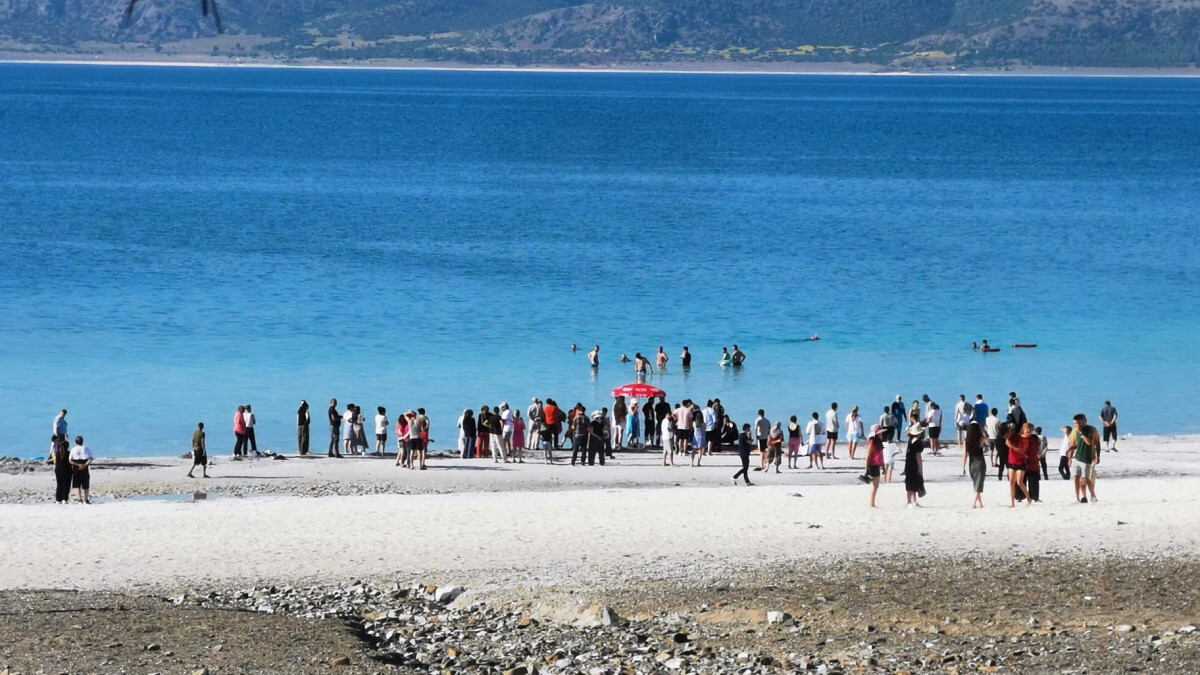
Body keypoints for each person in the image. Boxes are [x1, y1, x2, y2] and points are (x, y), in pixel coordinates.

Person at [1068, 413, 1101, 503]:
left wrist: (1098, 456)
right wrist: (1070, 458)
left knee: (1086, 479)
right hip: (1077, 457)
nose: (1078, 425)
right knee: (1076, 478)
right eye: (1076, 423)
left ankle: (1093, 495)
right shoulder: (1074, 431)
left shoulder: (1092, 430)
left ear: (1085, 421)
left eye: (1080, 423)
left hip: (1088, 459)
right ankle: (1080, 498)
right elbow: (1074, 444)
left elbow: (1091, 443)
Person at [1006, 424, 1034, 507]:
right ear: (1023, 429)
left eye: (1031, 429)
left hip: (1021, 463)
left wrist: (1012, 447)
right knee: (1011, 482)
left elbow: (1023, 451)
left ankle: (1028, 498)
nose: (1029, 431)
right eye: (1027, 429)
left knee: (1019, 482)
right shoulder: (1016, 437)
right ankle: (1012, 503)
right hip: (1012, 461)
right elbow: (1007, 441)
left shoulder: (1030, 440)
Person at [904, 413, 926, 507]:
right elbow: (918, 456)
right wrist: (920, 468)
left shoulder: (911, 439)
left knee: (910, 481)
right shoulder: (918, 442)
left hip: (908, 461)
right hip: (914, 462)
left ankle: (912, 501)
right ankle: (911, 501)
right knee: (913, 481)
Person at [963, 419, 985, 508]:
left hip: (971, 462)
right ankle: (974, 503)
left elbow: (965, 454)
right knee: (979, 482)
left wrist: (963, 466)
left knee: (976, 482)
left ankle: (980, 502)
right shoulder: (980, 439)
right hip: (980, 461)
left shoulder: (966, 441)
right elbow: (987, 437)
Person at [864, 425, 885, 508]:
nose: (882, 434)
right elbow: (868, 455)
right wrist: (866, 469)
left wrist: (883, 466)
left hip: (877, 464)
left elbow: (880, 455)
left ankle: (872, 503)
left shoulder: (878, 441)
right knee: (875, 485)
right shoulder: (872, 441)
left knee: (876, 485)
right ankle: (872, 503)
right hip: (872, 464)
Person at [69, 436, 93, 504]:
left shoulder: (73, 449)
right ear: (82, 441)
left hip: (77, 467)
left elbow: (70, 460)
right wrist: (85, 465)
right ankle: (86, 499)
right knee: (85, 484)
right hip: (84, 467)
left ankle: (80, 499)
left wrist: (78, 465)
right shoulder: (86, 448)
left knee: (77, 484)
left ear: (75, 442)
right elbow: (90, 458)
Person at [51, 434, 72, 503]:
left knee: (59, 484)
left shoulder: (58, 453)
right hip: (66, 471)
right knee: (66, 484)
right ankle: (64, 498)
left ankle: (58, 499)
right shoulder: (68, 453)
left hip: (58, 471)